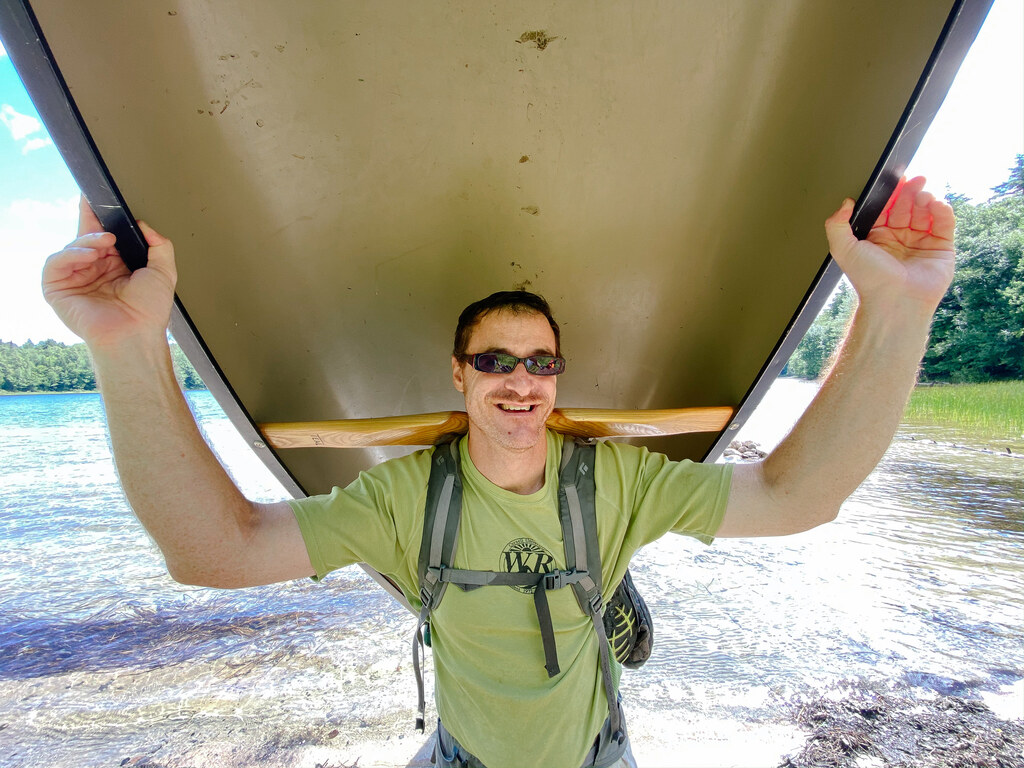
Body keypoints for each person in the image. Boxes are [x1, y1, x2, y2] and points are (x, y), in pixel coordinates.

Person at [42, 176, 955, 768]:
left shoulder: (616, 481)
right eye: (496, 361)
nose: (521, 381)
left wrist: (900, 307)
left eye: (541, 363)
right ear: (460, 373)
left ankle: (612, 582)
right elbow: (213, 553)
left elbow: (801, 498)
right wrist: (126, 347)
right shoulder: (406, 495)